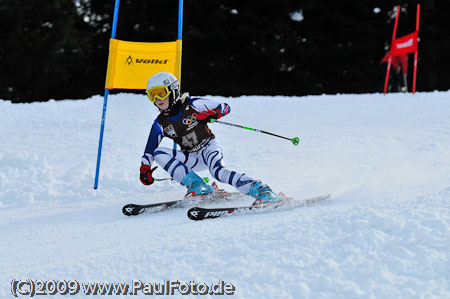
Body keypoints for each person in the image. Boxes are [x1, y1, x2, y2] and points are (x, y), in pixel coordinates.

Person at [139, 72, 281, 205]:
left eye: (161, 93)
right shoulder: (160, 123)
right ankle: (198, 186)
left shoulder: (192, 104)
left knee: (218, 172)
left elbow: (225, 107)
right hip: (192, 157)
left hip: (208, 147)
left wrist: (212, 114)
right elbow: (149, 151)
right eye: (152, 95)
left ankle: (261, 189)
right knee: (159, 153)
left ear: (173, 91)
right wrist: (145, 169)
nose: (157, 99)